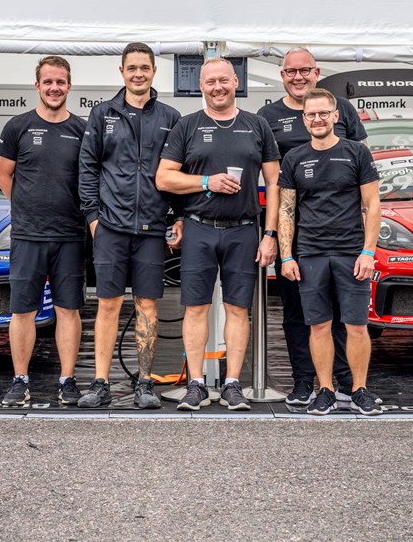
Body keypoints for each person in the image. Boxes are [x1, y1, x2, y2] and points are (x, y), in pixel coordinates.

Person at [156, 57, 280, 412]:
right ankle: (196, 384)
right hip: (199, 228)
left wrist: (270, 234)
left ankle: (232, 384)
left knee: (238, 309)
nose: (218, 87)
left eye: (224, 80)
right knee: (196, 308)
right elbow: (164, 178)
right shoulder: (188, 125)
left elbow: (274, 182)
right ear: (201, 86)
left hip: (244, 230)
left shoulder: (257, 125)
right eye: (210, 82)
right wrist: (206, 181)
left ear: (235, 82)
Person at [257, 47, 368, 406]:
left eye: (305, 70)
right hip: (295, 236)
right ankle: (305, 381)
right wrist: (272, 235)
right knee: (298, 313)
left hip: (344, 234)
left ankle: (346, 382)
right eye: (291, 71)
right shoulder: (268, 117)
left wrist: (367, 242)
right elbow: (270, 181)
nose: (298, 77)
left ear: (317, 73)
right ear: (282, 76)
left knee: (344, 313)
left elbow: (363, 174)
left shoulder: (342, 109)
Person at [77, 42, 184, 409]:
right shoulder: (102, 113)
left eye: (145, 67)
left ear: (154, 71)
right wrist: (93, 218)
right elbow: (88, 168)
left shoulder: (171, 117)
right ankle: (101, 383)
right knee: (107, 306)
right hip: (109, 226)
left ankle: (145, 384)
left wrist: (179, 216)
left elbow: (179, 171)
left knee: (147, 306)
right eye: (132, 68)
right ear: (121, 72)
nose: (138, 74)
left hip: (151, 229)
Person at [277, 87, 383, 415]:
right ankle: (326, 390)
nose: (318, 119)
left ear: (336, 116)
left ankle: (360, 390)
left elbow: (373, 205)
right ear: (304, 119)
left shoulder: (356, 153)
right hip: (310, 254)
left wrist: (368, 252)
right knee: (319, 325)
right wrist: (286, 255)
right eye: (311, 114)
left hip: (351, 253)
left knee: (356, 326)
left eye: (324, 113)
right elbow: (286, 211)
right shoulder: (294, 158)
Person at [0, 56, 87, 408]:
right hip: (28, 236)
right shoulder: (17, 127)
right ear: (37, 86)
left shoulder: (82, 129)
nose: (54, 88)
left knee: (68, 309)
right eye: (48, 82)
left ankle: (67, 380)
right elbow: (3, 175)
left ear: (69, 85)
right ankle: (20, 380)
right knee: (23, 311)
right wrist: (27, 207)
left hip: (70, 235)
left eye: (60, 82)